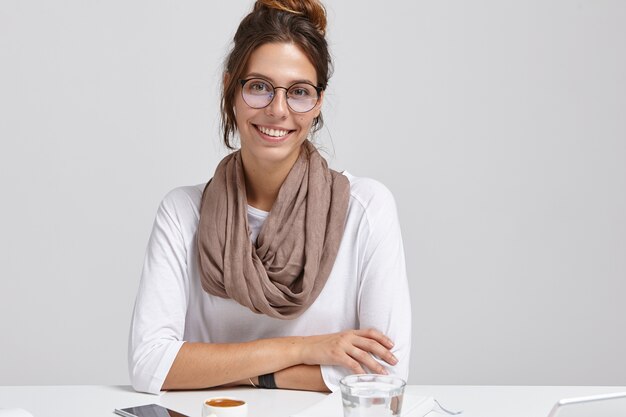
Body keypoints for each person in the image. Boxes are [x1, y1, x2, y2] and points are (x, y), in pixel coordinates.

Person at [129, 0, 411, 394]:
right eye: (259, 87)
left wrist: (238, 370)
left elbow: (383, 372)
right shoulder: (183, 212)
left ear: (317, 104)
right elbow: (149, 365)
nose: (278, 110)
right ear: (230, 89)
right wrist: (308, 349)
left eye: (298, 92)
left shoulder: (365, 208)